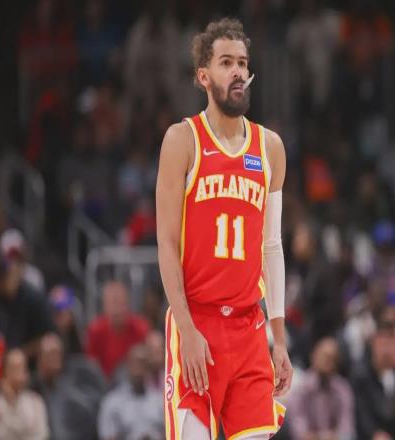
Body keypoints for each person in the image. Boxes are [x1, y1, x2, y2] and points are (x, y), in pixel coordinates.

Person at [156, 17, 293, 440]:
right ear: (204, 76)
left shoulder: (270, 147)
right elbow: (166, 243)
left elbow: (272, 247)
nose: (238, 71)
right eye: (226, 62)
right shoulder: (182, 140)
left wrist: (279, 339)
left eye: (243, 63)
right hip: (197, 320)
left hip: (250, 329)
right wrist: (186, 328)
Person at [287, 337, 355, 440]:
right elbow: (299, 433)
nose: (328, 361)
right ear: (313, 356)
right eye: (324, 356)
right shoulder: (300, 389)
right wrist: (325, 437)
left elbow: (347, 431)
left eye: (333, 358)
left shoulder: (343, 389)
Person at [98, 343, 164, 440]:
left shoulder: (160, 400)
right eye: (134, 364)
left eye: (142, 365)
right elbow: (108, 436)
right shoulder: (112, 402)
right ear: (127, 366)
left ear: (148, 368)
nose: (138, 370)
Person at [85, 280, 150, 378]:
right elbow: (91, 366)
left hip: (135, 382)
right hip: (104, 383)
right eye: (112, 303)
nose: (116, 310)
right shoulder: (95, 330)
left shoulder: (140, 328)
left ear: (127, 304)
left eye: (120, 303)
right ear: (104, 306)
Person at [0, 349, 49, 440]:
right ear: (4, 372)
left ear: (26, 373)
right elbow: (0, 436)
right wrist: (12, 402)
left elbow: (42, 435)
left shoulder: (36, 402)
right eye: (13, 368)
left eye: (20, 368)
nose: (17, 373)